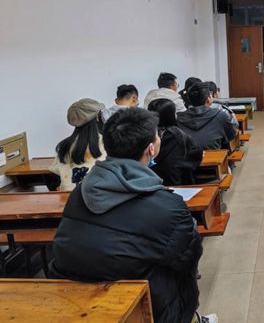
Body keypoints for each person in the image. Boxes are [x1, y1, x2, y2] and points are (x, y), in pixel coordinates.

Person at [48, 107, 217, 323]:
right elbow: (189, 258)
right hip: (142, 306)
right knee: (181, 275)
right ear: (151, 149)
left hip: (75, 297)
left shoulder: (80, 193)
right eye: (157, 135)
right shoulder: (168, 206)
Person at [49, 98, 107, 191]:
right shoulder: (107, 142)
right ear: (97, 117)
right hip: (98, 196)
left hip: (69, 197)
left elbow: (56, 171)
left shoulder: (65, 146)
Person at [148, 98, 203, 186]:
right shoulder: (179, 136)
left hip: (151, 185)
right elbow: (196, 157)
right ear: (171, 116)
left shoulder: (145, 135)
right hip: (179, 184)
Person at [178, 82, 237, 151]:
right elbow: (231, 135)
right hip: (213, 155)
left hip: (187, 155)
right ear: (208, 99)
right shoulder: (220, 115)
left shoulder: (179, 117)